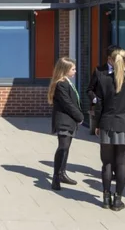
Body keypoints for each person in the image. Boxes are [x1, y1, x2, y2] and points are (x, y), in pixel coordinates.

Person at [91, 47, 125, 211]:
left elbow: (99, 105)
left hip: (107, 124)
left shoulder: (104, 79)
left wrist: (97, 124)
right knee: (122, 164)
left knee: (106, 163)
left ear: (112, 61)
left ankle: (106, 197)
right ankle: (117, 200)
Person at [48, 57, 84, 191]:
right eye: (73, 69)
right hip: (64, 121)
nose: (75, 71)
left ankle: (62, 173)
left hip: (70, 121)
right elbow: (67, 103)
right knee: (62, 147)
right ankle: (56, 176)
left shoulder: (67, 82)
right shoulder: (61, 84)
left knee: (66, 147)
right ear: (65, 70)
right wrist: (80, 116)